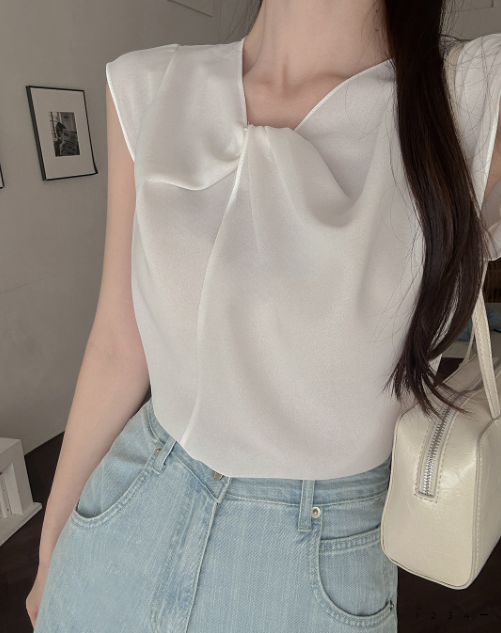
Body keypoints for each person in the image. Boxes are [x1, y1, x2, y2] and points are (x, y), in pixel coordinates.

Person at [27, 0, 501, 631]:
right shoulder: (147, 88)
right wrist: (51, 550)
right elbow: (118, 344)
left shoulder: (473, 98)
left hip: (311, 571)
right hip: (123, 518)